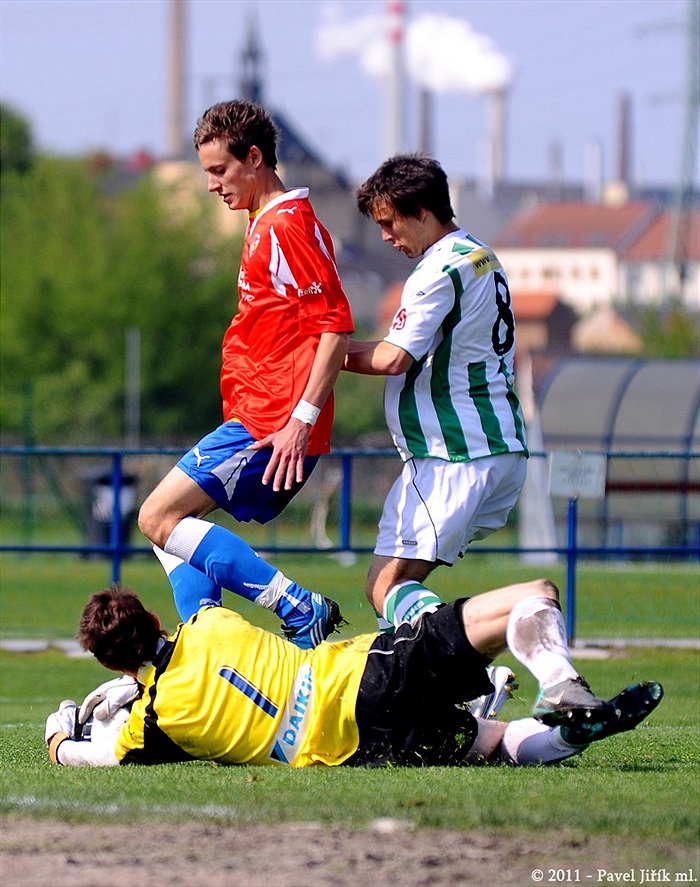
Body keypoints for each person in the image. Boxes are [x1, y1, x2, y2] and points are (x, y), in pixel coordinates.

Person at [137, 100, 354, 648]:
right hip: (258, 413)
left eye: (219, 170)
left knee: (157, 517)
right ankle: (208, 644)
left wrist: (301, 421)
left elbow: (334, 328)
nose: (212, 185)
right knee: (172, 531)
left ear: (254, 158)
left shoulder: (286, 225)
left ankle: (298, 606)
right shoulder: (267, 222)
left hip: (271, 421)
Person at [45, 578, 662, 768]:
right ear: (154, 615)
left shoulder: (155, 723)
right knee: (533, 595)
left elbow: (90, 755)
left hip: (358, 748)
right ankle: (562, 685)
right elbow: (191, 576)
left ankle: (567, 736)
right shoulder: (210, 622)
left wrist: (57, 735)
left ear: (112, 664)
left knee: (492, 743)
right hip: (364, 675)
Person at [343, 154, 528, 632]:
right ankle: (462, 664)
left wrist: (320, 354)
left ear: (422, 211)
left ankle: (491, 652)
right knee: (394, 590)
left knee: (385, 586)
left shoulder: (438, 269)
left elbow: (394, 358)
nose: (386, 236)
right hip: (496, 445)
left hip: (452, 453)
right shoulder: (481, 255)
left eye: (390, 223)